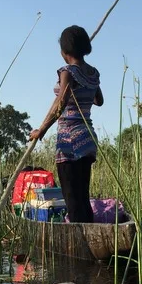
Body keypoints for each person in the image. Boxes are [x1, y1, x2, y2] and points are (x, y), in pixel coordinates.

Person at [29, 25, 103, 223]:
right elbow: (99, 100)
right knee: (82, 196)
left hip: (70, 140)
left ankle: (79, 238)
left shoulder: (67, 72)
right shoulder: (93, 73)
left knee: (71, 197)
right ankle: (89, 231)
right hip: (87, 138)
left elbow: (60, 103)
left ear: (64, 51)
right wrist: (84, 90)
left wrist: (41, 130)